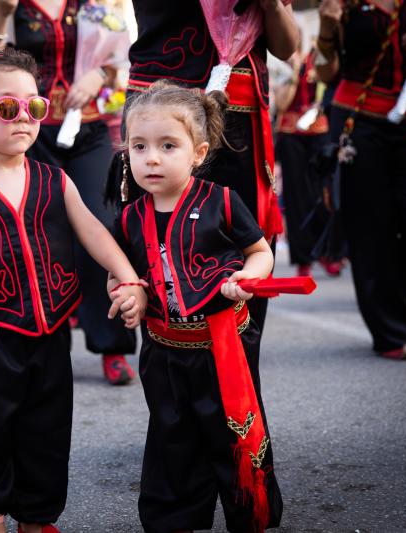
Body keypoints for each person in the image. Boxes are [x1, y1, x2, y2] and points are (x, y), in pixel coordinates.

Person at [0, 48, 146, 533]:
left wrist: (126, 276)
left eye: (35, 107)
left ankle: (38, 516)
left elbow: (92, 231)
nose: (24, 117)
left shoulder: (54, 178)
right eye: (7, 108)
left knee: (46, 430)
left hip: (49, 333)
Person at [109, 81, 279, 533]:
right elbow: (120, 272)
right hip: (163, 350)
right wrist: (130, 293)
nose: (152, 158)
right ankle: (174, 521)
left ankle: (249, 516)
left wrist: (250, 275)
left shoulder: (222, 201)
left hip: (223, 348)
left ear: (198, 153)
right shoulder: (128, 216)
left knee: (230, 438)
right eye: (139, 146)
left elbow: (261, 251)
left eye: (168, 145)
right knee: (172, 439)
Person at [118, 0, 298, 384]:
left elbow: (287, 46)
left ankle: (239, 403)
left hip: (240, 115)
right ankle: (173, 403)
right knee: (159, 251)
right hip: (162, 115)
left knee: (242, 248)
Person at [0, 0, 138, 385]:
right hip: (31, 128)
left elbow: (125, 55)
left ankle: (112, 344)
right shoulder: (10, 5)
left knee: (101, 223)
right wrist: (0, 13)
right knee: (41, 234)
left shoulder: (94, 4)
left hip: (89, 126)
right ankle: (42, 341)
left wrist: (101, 72)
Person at [317, 0, 406, 359]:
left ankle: (388, 299)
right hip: (357, 120)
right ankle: (389, 331)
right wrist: (327, 30)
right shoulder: (343, 5)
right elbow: (323, 73)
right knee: (371, 229)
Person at [273, 45, 340, 278]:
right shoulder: (281, 63)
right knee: (296, 199)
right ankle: (304, 260)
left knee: (323, 194)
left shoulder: (319, 57)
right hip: (291, 136)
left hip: (319, 133)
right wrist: (293, 72)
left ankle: (328, 253)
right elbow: (281, 104)